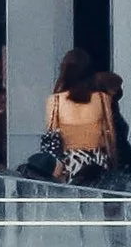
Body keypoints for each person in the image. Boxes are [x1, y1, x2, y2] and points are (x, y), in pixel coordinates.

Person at [41, 49, 119, 179]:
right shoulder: (102, 98)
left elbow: (52, 135)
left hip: (69, 163)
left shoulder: (55, 101)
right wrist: (114, 162)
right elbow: (110, 134)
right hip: (97, 161)